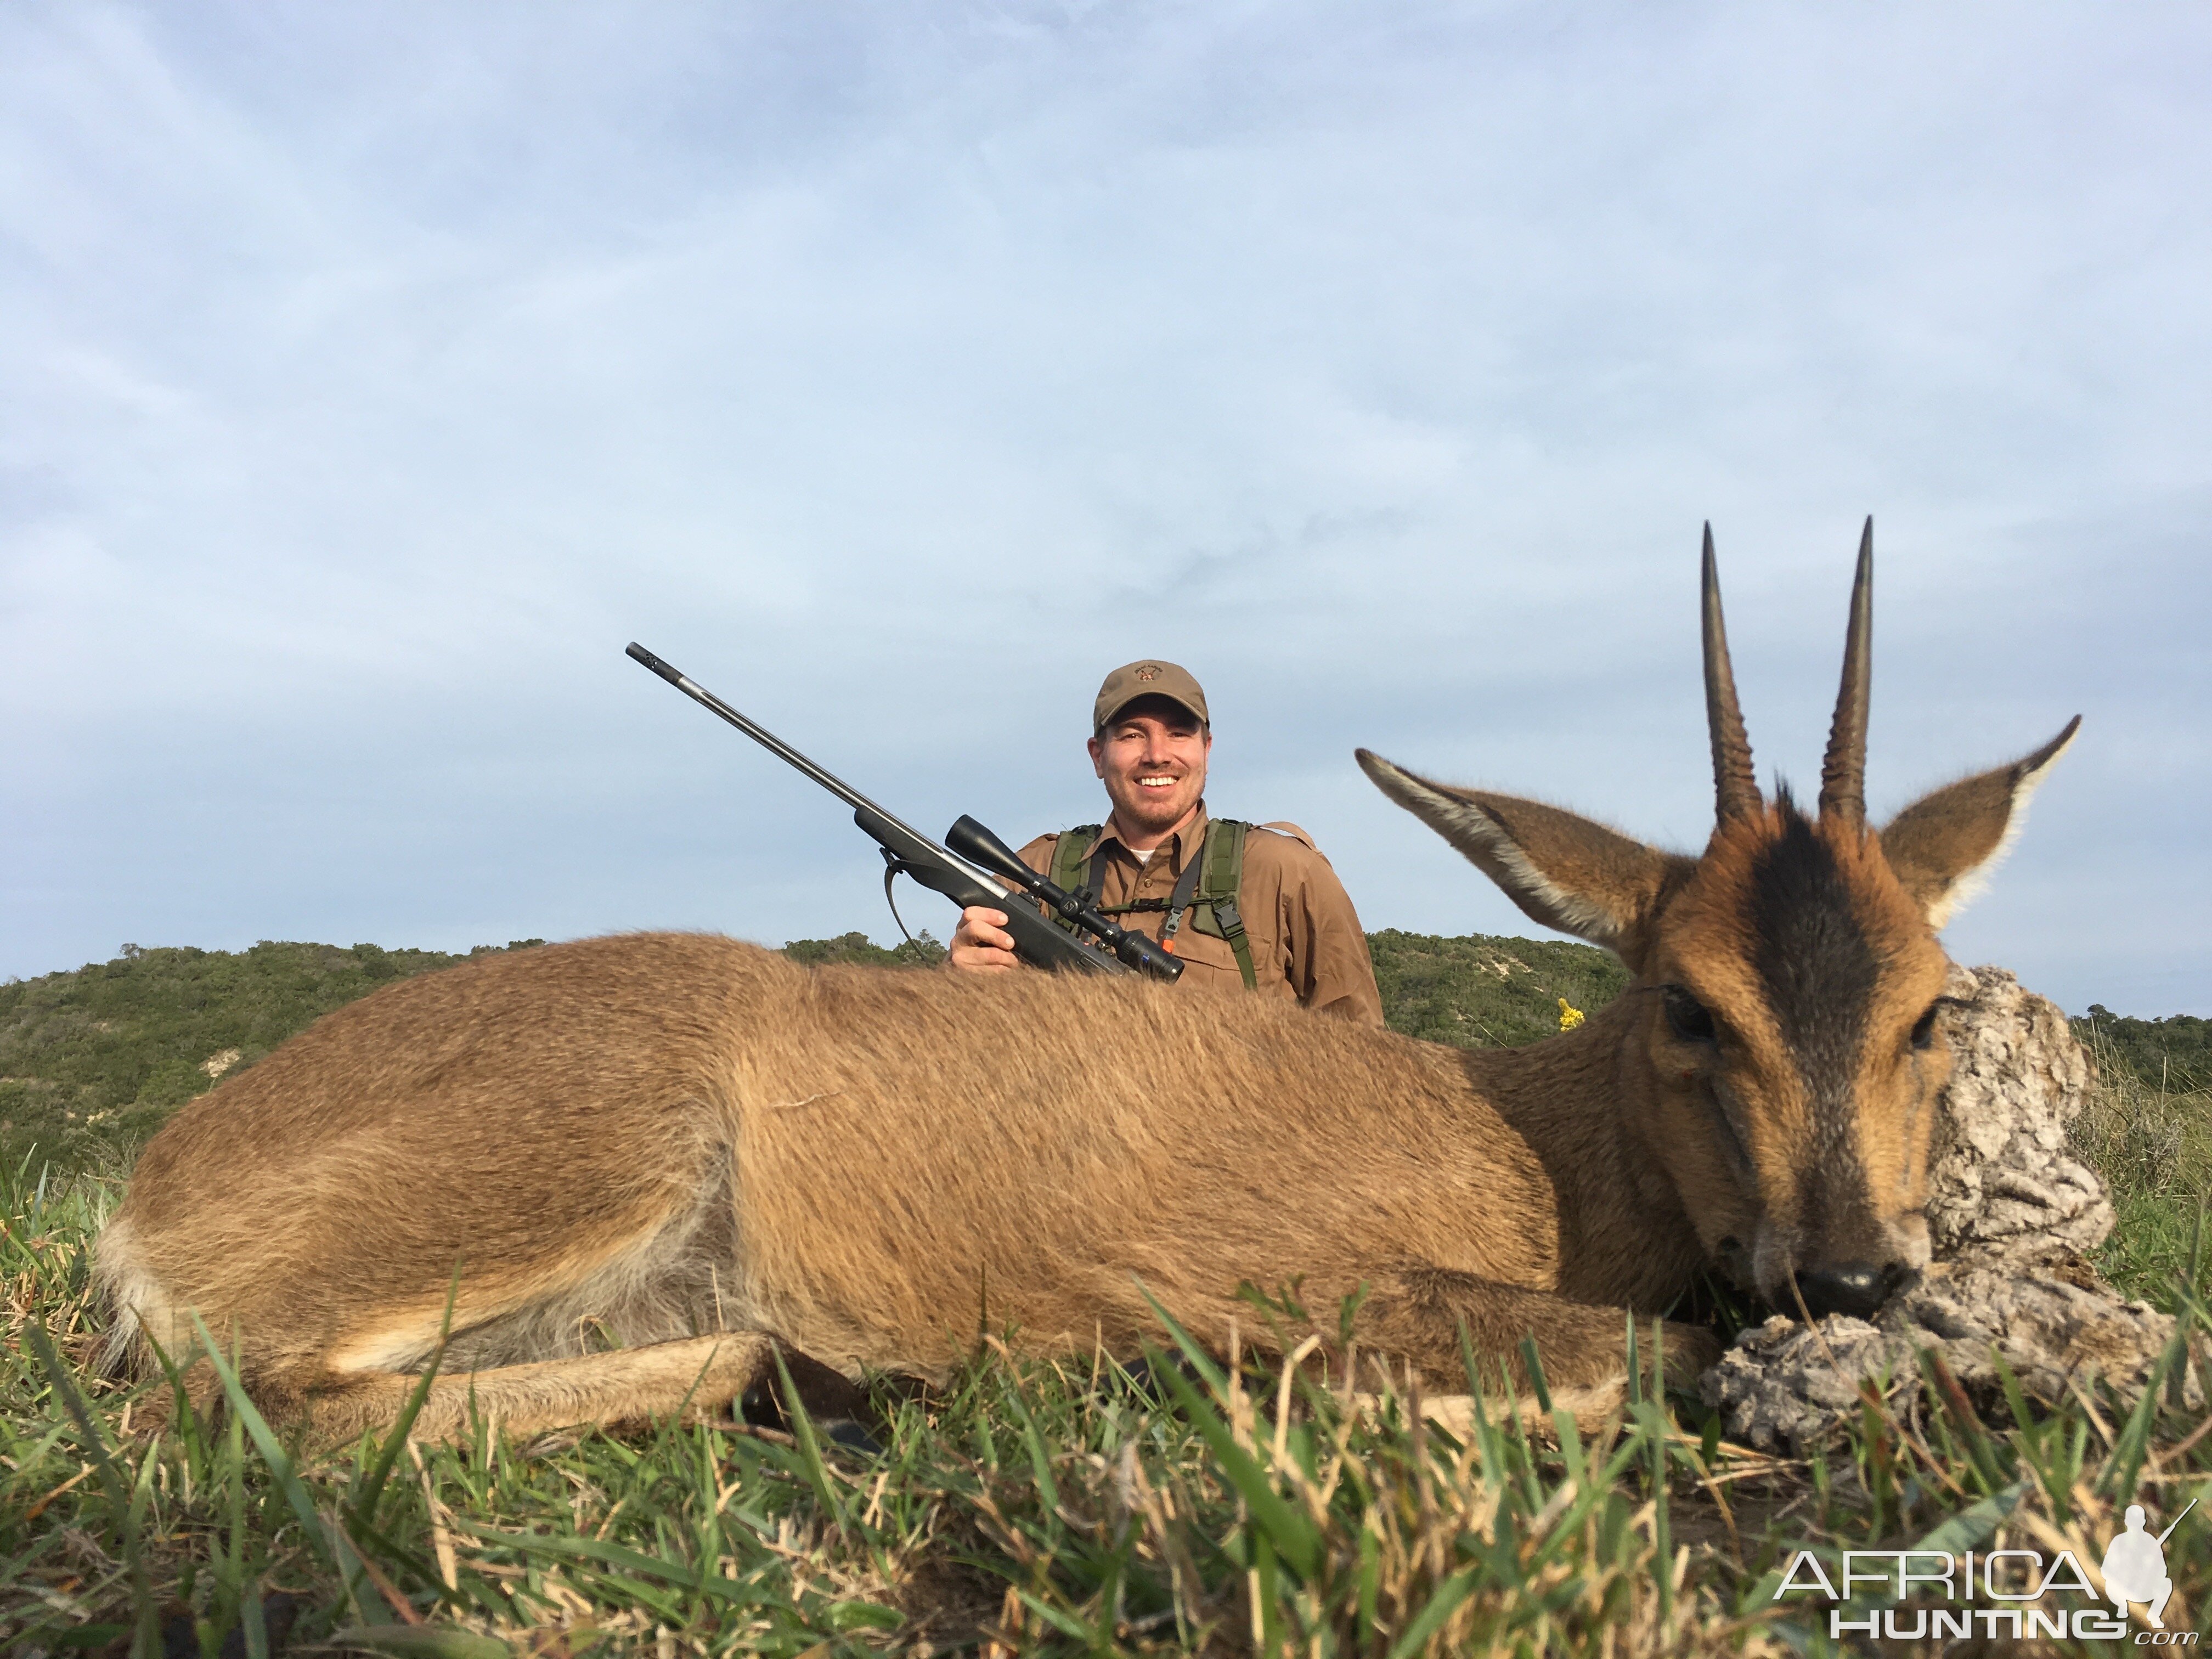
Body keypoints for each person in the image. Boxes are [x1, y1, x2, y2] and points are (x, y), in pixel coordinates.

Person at [947, 660, 1385, 1024]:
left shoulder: (1285, 871)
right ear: (1097, 756)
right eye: (1132, 734)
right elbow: (970, 1047)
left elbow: (1363, 1052)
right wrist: (958, 983)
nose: (1157, 754)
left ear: (1207, 750)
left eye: (1179, 733)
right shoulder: (1033, 869)